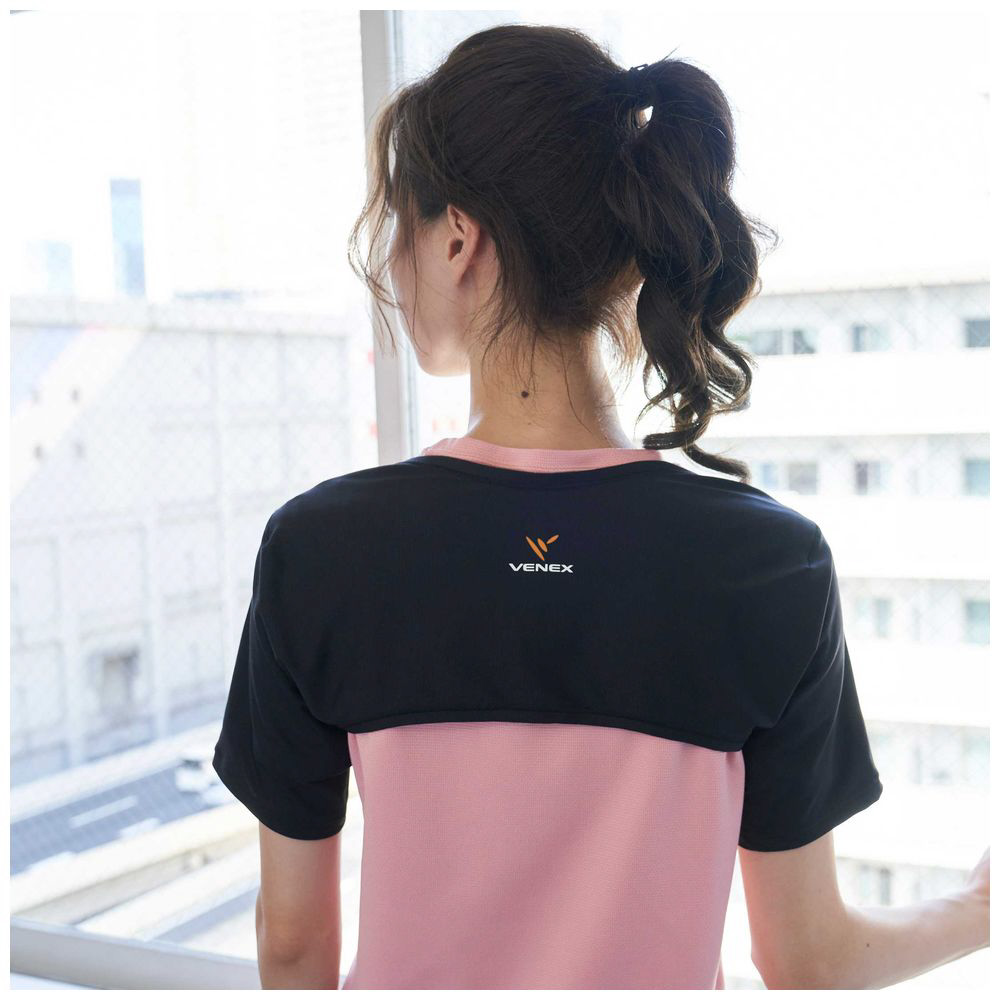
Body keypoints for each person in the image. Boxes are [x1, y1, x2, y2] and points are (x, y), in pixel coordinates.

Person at [212, 22, 990, 989]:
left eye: (399, 226)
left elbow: (293, 948)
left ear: (455, 238)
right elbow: (808, 959)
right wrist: (981, 909)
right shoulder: (767, 561)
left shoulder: (321, 548)